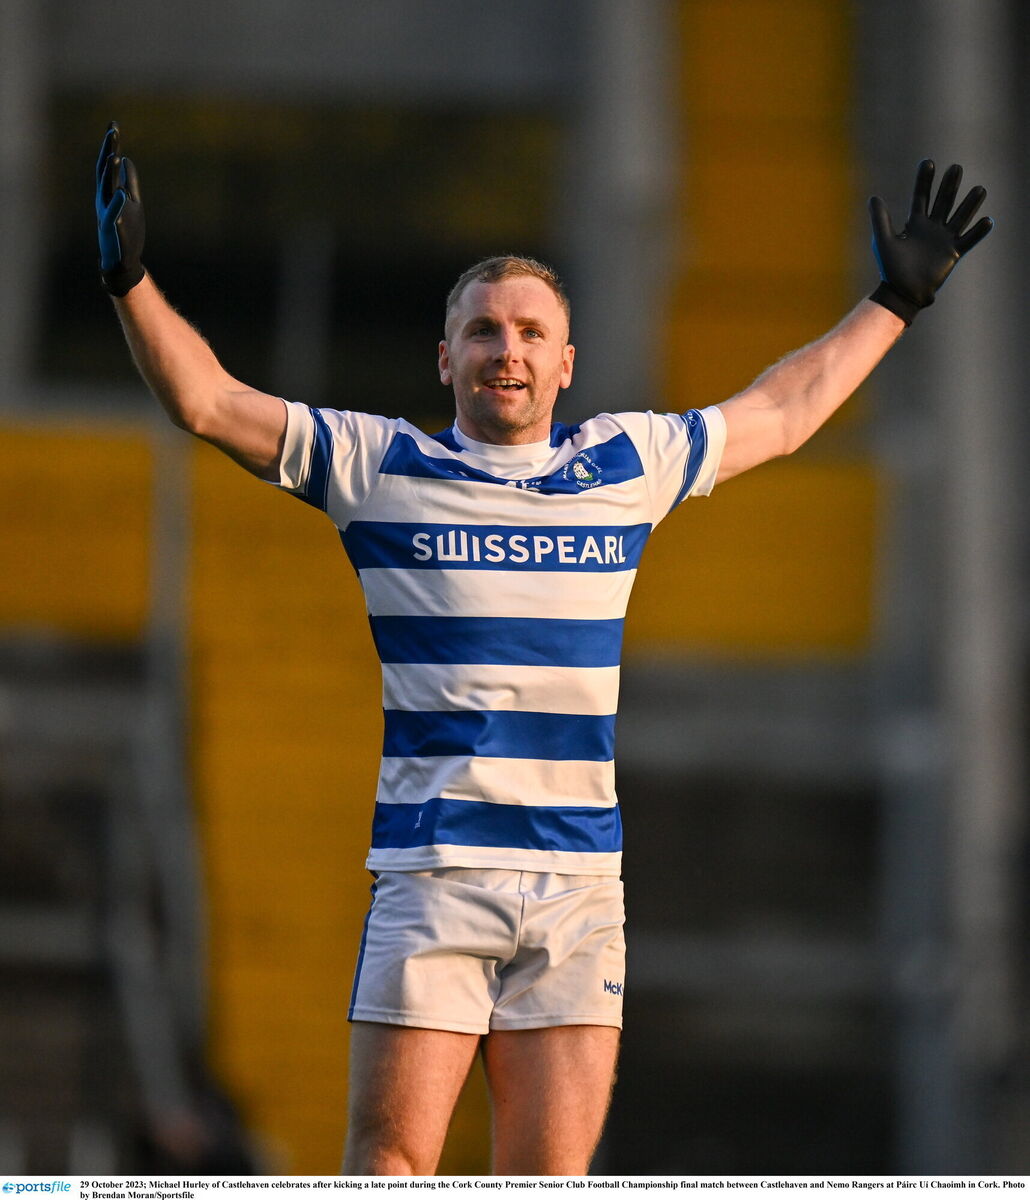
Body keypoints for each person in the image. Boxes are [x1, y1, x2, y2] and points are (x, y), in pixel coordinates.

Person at [95, 122, 993, 1176]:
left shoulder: (626, 459)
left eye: (528, 332)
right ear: (446, 358)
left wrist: (894, 304)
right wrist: (129, 280)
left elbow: (782, 413)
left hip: (578, 888)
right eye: (481, 331)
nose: (504, 349)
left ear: (565, 363)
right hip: (434, 877)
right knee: (387, 1172)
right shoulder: (378, 466)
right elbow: (206, 401)